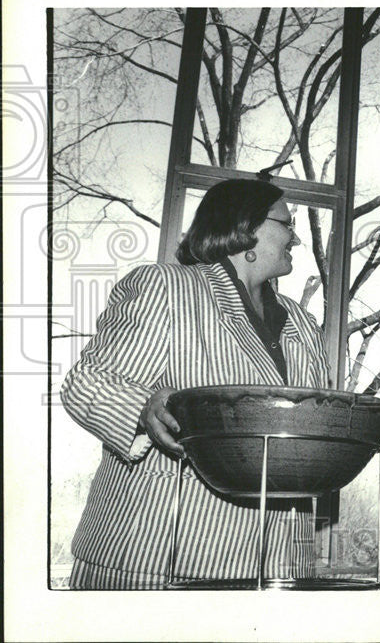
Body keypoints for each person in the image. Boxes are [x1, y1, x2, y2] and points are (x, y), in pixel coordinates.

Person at [61, 179, 332, 588]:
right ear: (247, 227)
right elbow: (86, 382)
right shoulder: (167, 289)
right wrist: (142, 409)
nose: (296, 237)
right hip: (157, 559)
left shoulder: (303, 324)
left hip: (278, 568)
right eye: (287, 224)